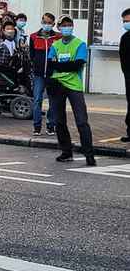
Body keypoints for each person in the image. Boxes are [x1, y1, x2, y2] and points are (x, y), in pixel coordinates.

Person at [47, 16, 95, 165]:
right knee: (59, 121)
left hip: (74, 86)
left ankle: (89, 154)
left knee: (81, 121)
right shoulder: (55, 45)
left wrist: (60, 65)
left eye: (69, 25)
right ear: (59, 28)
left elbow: (78, 64)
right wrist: (66, 65)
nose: (67, 27)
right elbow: (50, 65)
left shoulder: (80, 44)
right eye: (64, 25)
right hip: (57, 85)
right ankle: (66, 152)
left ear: (72, 26)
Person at [28, 13, 61, 136]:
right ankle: (37, 126)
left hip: (53, 74)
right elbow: (31, 55)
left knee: (53, 101)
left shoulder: (58, 38)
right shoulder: (33, 37)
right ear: (41, 22)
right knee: (37, 100)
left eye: (49, 23)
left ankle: (50, 125)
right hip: (39, 74)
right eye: (45, 22)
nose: (46, 24)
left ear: (53, 24)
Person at [121, 7, 130, 143]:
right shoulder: (125, 37)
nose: (125, 23)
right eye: (124, 21)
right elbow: (123, 58)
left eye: (127, 20)